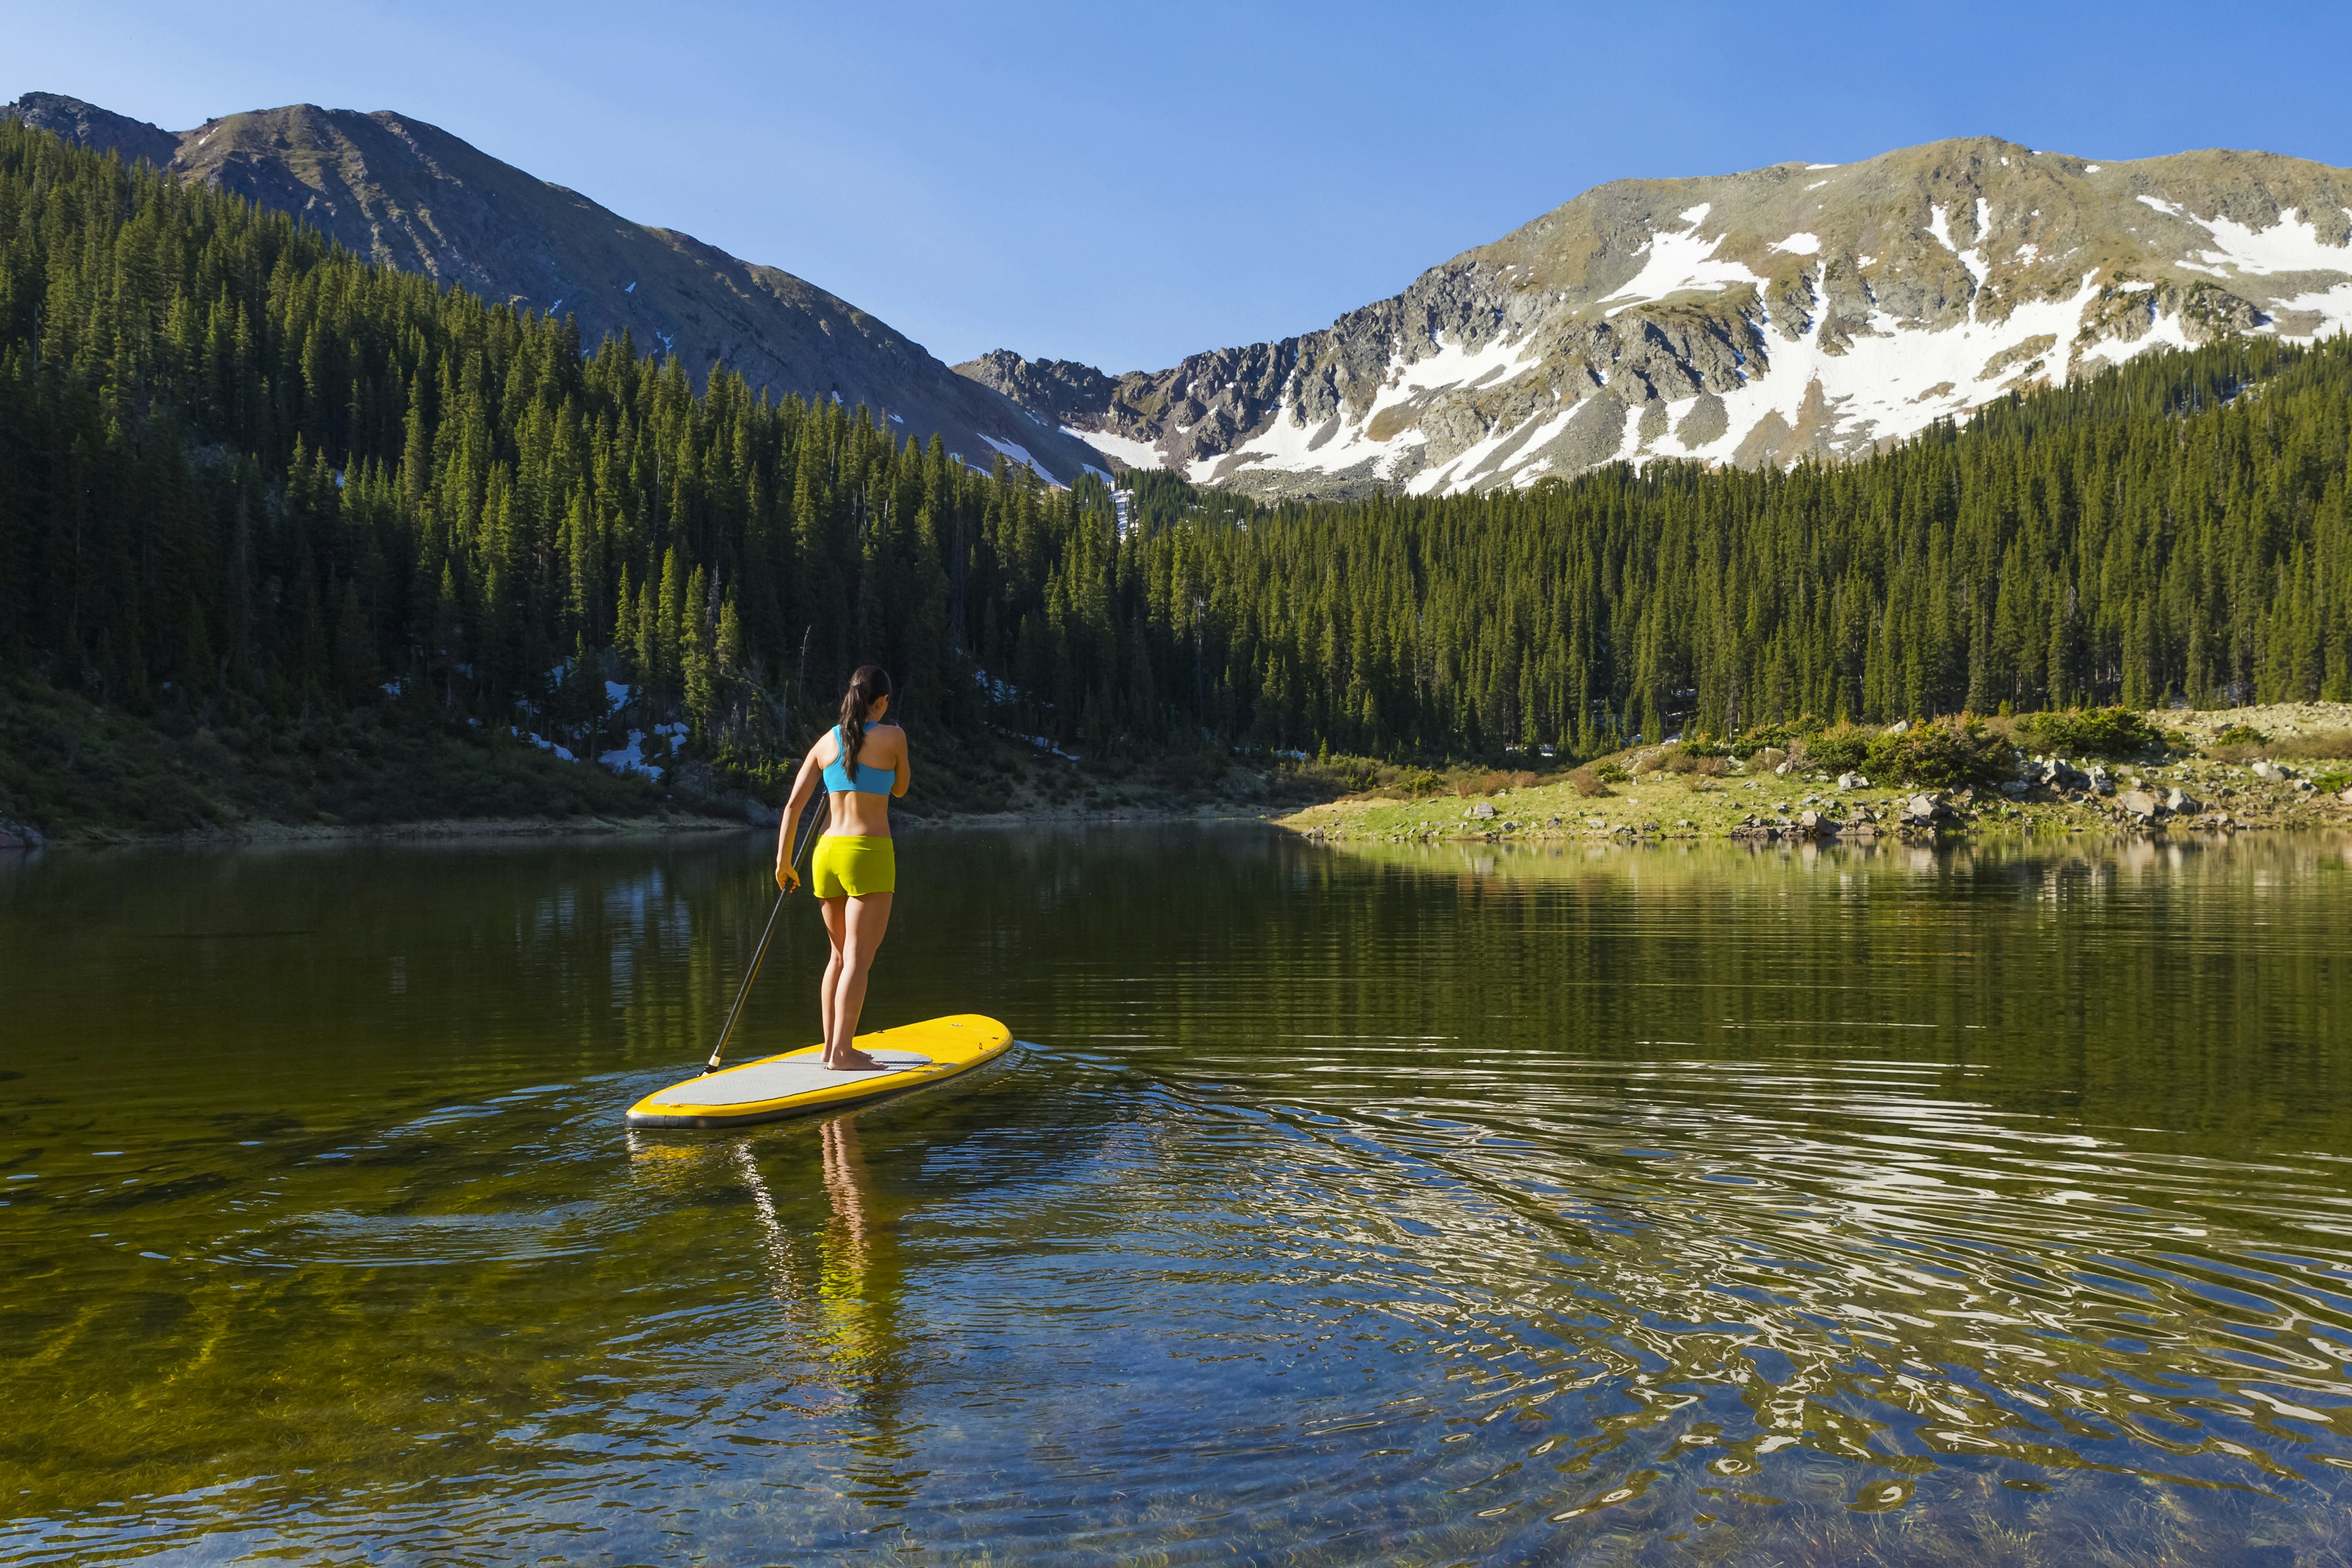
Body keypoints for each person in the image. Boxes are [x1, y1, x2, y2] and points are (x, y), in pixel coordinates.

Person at [777, 666, 909, 1071]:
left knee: (837, 958)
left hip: (825, 854)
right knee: (857, 960)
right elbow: (901, 788)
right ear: (882, 702)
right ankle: (842, 1054)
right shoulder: (893, 737)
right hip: (867, 852)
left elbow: (793, 807)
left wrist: (783, 863)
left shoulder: (825, 743)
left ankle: (829, 1048)